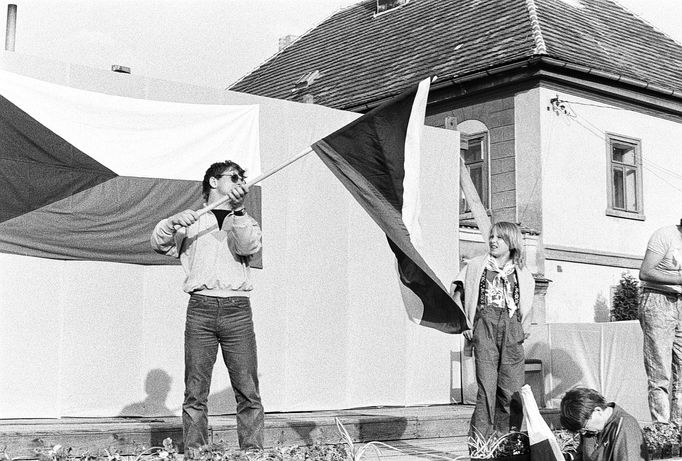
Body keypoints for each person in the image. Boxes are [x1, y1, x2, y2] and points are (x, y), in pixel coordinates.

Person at [150, 160, 264, 454]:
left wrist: (238, 212)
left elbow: (248, 247)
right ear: (214, 182)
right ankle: (196, 453)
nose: (241, 182)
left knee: (247, 390)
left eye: (243, 178)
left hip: (236, 309)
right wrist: (171, 222)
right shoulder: (193, 219)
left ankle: (252, 454)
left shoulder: (245, 220)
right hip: (200, 308)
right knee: (195, 391)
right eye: (235, 177)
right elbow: (158, 243)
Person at [452, 221, 535, 439]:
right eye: (491, 237)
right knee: (486, 390)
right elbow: (458, 294)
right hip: (485, 324)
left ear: (512, 242)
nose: (493, 241)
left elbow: (528, 303)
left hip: (511, 327)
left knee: (512, 389)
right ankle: (481, 445)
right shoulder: (477, 265)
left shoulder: (522, 272)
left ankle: (508, 441)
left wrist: (523, 327)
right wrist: (465, 323)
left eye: (499, 237)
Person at [638, 222, 682, 424]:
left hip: (680, 303)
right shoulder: (665, 235)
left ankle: (679, 428)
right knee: (660, 373)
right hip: (658, 301)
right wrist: (679, 278)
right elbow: (645, 272)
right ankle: (663, 430)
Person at [560, 387, 649, 461]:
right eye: (580, 431)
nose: (583, 433)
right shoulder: (590, 428)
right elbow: (582, 455)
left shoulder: (626, 428)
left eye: (584, 428)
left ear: (598, 411)